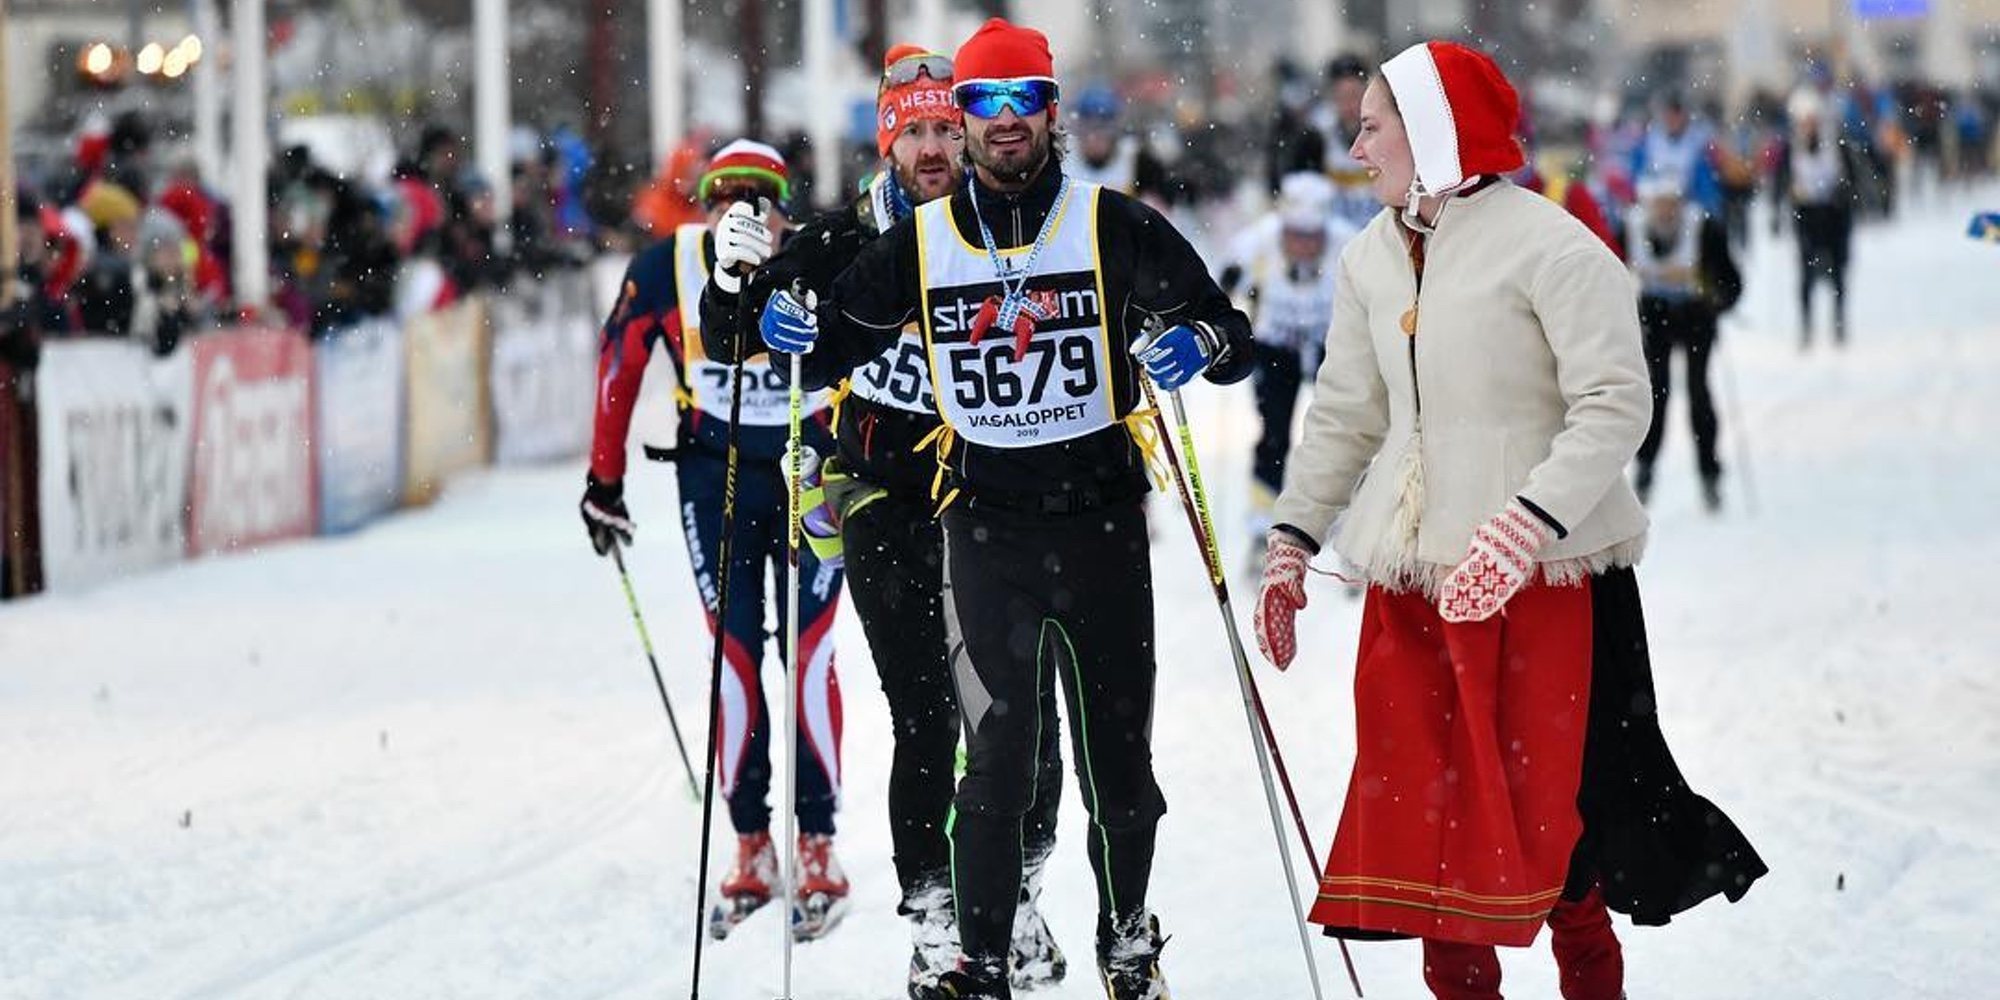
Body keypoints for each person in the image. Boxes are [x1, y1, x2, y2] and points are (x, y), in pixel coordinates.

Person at [1251, 41, 1765, 1000]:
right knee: (1425, 832)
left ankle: (1591, 980)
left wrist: (1526, 522)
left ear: (1435, 131)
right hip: (1415, 587)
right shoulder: (1369, 256)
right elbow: (1345, 413)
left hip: (1545, 587)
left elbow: (1615, 401)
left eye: (1374, 127)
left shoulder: (1554, 247)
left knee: (1555, 826)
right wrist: (1292, 539)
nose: (1356, 146)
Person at [756, 18, 1255, 999]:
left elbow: (1228, 329)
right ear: (958, 119)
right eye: (980, 104)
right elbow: (820, 346)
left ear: (1050, 110)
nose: (1000, 121)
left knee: (1118, 765)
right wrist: (772, 319)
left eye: (1019, 99)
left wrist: (1198, 343)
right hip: (983, 531)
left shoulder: (1111, 224)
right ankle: (976, 966)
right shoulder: (920, 243)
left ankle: (1123, 934)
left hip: (1103, 524)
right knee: (990, 761)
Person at [697, 46, 1068, 997]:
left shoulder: (1006, 231)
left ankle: (1018, 887)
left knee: (1023, 719)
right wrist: (732, 283)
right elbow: (743, 339)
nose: (936, 147)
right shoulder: (840, 240)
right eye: (917, 131)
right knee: (926, 714)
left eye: (950, 126)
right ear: (887, 139)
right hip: (881, 499)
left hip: (996, 503)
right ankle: (935, 914)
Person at [576, 140, 853, 941]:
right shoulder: (668, 265)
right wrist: (604, 481)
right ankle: (750, 841)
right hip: (715, 473)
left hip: (805, 464)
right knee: (734, 652)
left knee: (811, 653)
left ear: (783, 205)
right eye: (724, 194)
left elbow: (867, 351)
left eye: (758, 196)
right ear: (699, 202)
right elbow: (618, 364)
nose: (741, 210)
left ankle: (819, 841)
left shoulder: (809, 256)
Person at [1216, 171, 1355, 553]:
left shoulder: (1347, 244)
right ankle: (1263, 526)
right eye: (1295, 234)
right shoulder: (1260, 239)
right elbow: (1220, 283)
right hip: (1274, 346)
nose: (1303, 244)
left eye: (1312, 236)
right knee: (1273, 435)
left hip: (1330, 346)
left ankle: (1349, 526)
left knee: (1342, 433)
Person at [1624, 174, 1742, 510]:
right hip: (1654, 318)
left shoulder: (1703, 229)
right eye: (1658, 205)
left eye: (1671, 204)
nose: (1665, 212)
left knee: (1698, 395)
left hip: (1695, 317)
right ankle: (1645, 471)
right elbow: (1606, 267)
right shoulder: (1631, 227)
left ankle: (1710, 474)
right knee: (1655, 396)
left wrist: (1716, 299)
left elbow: (1732, 281)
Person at [1776, 88, 1857, 348]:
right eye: (1804, 120)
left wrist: (1842, 193)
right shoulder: (1791, 146)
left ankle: (1839, 321)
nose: (1808, 125)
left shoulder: (1836, 143)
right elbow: (1782, 180)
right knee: (1806, 272)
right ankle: (1806, 325)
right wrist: (1781, 206)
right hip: (1806, 215)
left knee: (1838, 270)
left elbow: (1852, 178)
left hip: (1834, 214)